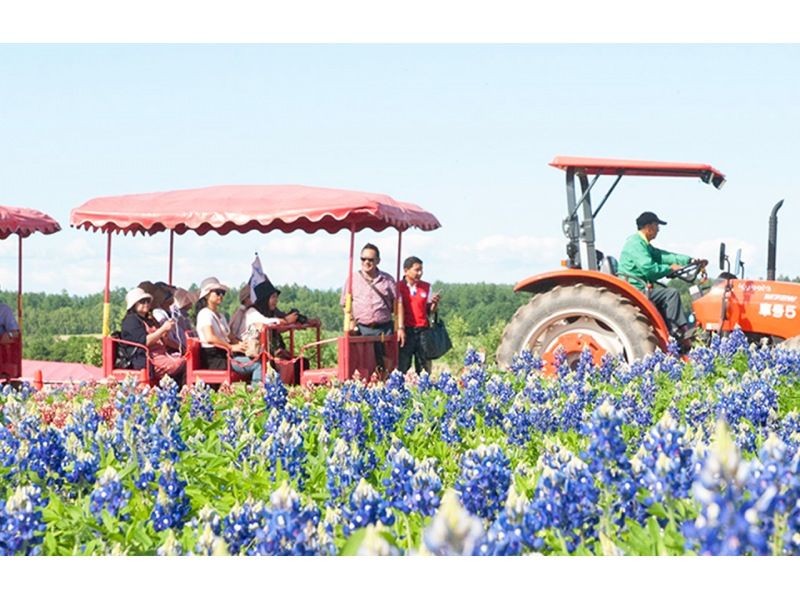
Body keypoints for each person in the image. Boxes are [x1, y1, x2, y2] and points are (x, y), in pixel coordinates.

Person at [617, 211, 708, 347]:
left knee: (665, 294)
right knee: (671, 294)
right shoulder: (635, 244)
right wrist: (670, 269)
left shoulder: (644, 244)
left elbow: (663, 256)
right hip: (636, 289)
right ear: (649, 227)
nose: (658, 229)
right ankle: (678, 332)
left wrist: (689, 260)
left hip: (641, 287)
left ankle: (677, 331)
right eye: (657, 226)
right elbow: (648, 269)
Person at [341, 243, 405, 374]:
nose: (366, 262)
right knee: (363, 364)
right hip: (362, 329)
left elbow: (398, 303)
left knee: (387, 364)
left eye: (370, 259)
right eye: (363, 259)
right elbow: (344, 303)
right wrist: (351, 320)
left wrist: (400, 328)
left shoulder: (387, 280)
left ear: (378, 261)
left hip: (384, 329)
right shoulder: (352, 279)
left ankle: (387, 384)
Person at [195, 276, 263, 384]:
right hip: (214, 357)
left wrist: (243, 345)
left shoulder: (220, 315)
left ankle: (255, 390)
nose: (221, 295)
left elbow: (230, 336)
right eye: (217, 292)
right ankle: (256, 395)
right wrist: (231, 347)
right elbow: (210, 338)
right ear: (207, 295)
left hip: (225, 354)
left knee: (259, 359)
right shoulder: (204, 314)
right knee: (258, 365)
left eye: (222, 293)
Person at [251, 278, 314, 383]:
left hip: (277, 352)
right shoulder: (254, 313)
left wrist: (307, 321)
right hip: (263, 353)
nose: (276, 300)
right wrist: (286, 321)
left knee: (302, 362)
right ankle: (283, 388)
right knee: (284, 364)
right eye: (273, 297)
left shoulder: (273, 312)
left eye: (276, 297)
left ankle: (300, 389)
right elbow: (270, 324)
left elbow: (286, 318)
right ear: (265, 299)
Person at [120, 286, 186, 385]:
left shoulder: (150, 319)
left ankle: (178, 391)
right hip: (148, 359)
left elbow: (163, 339)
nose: (146, 304)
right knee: (185, 364)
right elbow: (144, 341)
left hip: (163, 354)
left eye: (147, 301)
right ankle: (182, 392)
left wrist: (180, 346)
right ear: (134, 304)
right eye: (142, 301)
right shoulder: (130, 321)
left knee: (189, 359)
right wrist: (163, 329)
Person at [397, 256, 441, 374]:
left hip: (423, 330)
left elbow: (429, 311)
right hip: (405, 331)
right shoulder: (398, 287)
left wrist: (434, 304)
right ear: (406, 270)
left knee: (424, 367)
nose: (420, 273)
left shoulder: (426, 287)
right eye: (416, 270)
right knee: (402, 366)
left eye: (421, 270)